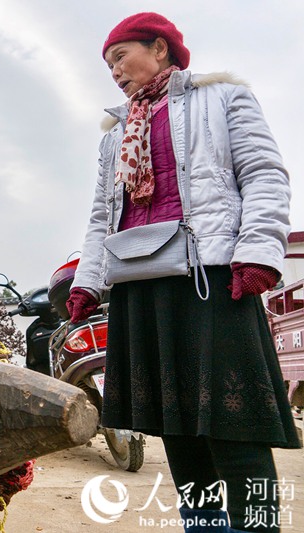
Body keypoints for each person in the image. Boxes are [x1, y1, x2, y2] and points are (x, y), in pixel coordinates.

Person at [67, 13, 300, 533]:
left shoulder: (222, 99)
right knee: (176, 426)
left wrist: (259, 253)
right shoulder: (115, 136)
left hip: (212, 276)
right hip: (140, 284)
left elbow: (264, 174)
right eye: (107, 64)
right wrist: (88, 280)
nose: (113, 71)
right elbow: (103, 215)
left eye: (120, 57)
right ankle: (203, 525)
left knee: (234, 424)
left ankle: (255, 527)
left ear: (160, 47)